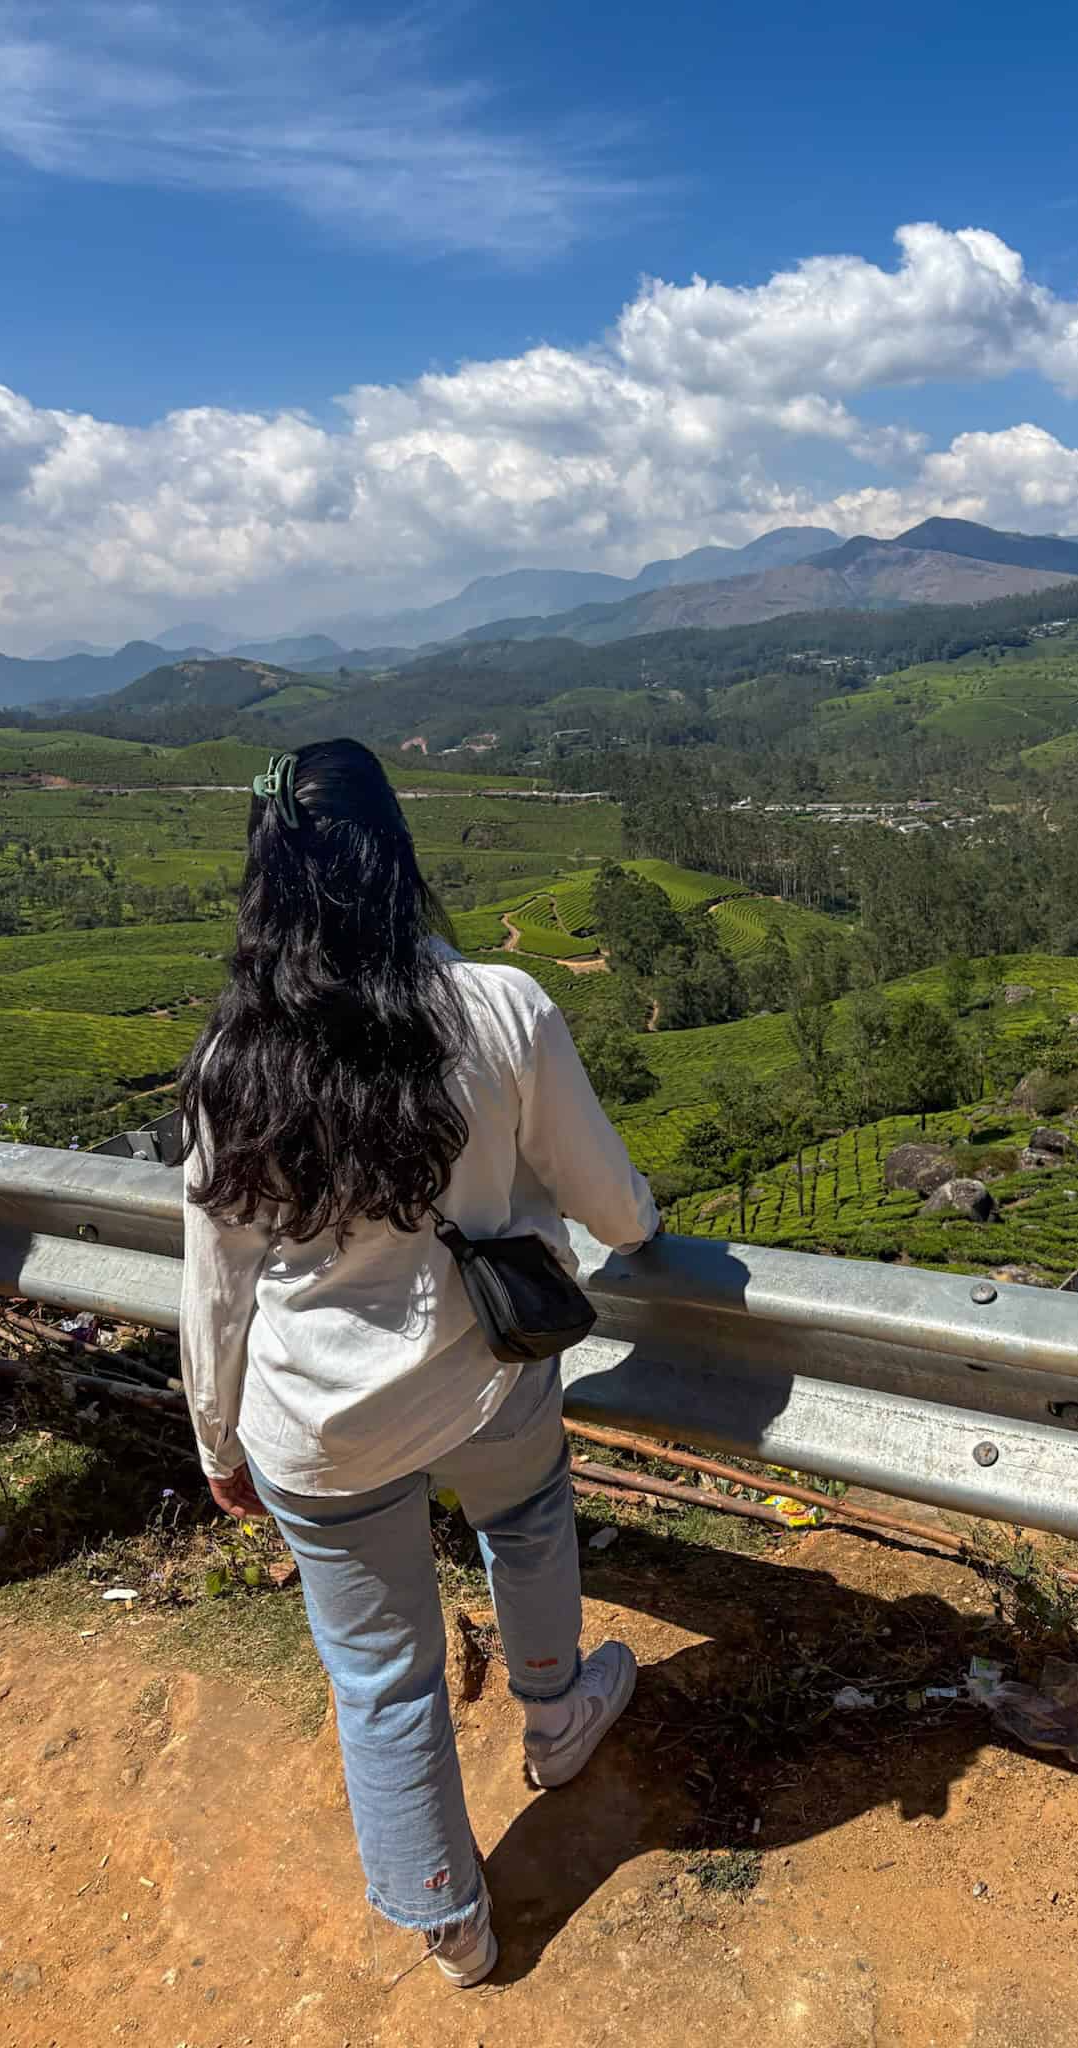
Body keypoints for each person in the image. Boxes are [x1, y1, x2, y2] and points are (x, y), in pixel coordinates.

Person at [178, 739, 657, 1988]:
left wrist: (218, 1441)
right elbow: (615, 1209)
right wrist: (643, 1221)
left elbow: (216, 1285)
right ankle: (556, 1715)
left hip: (315, 1425)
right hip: (485, 1370)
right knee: (530, 1520)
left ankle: (448, 1919)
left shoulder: (234, 1062)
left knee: (382, 1673)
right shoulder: (501, 1005)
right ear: (396, 850)